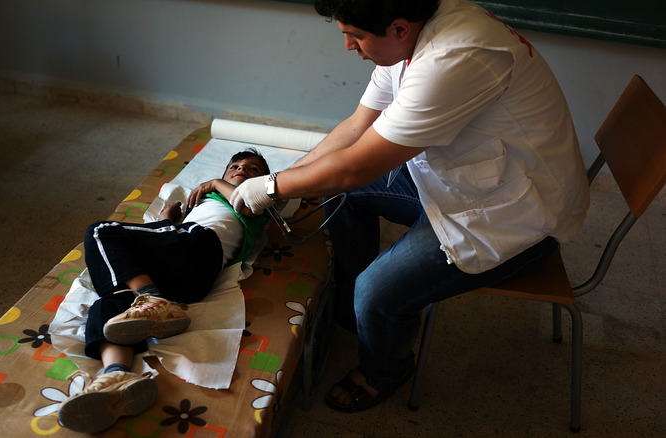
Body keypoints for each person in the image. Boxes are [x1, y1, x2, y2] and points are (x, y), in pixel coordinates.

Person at [230, 0, 589, 413]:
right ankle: (354, 314)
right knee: (335, 193)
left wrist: (270, 189)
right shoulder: (412, 30)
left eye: (356, 36)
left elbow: (355, 168)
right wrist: (284, 180)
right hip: (470, 175)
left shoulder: (454, 58)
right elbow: (356, 127)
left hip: (519, 215)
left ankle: (385, 368)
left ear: (399, 28)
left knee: (376, 291)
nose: (349, 46)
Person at [58, 148, 271, 433]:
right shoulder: (203, 204)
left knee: (101, 231)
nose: (243, 170)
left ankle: (152, 299)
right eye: (235, 166)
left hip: (202, 246)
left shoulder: (253, 200)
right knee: (110, 304)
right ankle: (116, 376)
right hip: (189, 282)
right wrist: (168, 223)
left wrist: (211, 183)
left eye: (253, 168)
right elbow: (166, 248)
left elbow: (245, 201)